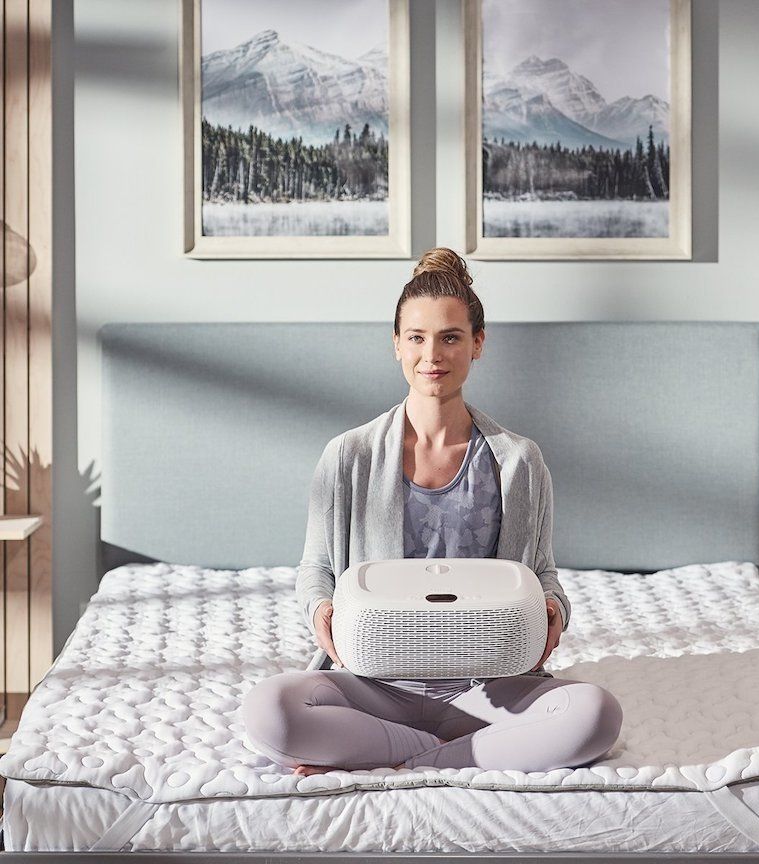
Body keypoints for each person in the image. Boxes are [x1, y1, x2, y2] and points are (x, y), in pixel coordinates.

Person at [243, 248, 623, 776]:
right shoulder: (348, 455)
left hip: (488, 688)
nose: (433, 355)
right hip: (375, 684)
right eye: (417, 338)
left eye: (450, 337)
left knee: (595, 714)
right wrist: (320, 611)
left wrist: (555, 608)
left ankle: (395, 755)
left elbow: (541, 574)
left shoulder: (519, 460)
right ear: (396, 345)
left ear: (478, 344)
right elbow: (317, 570)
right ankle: (450, 754)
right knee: (269, 710)